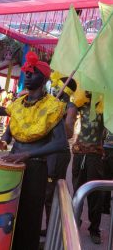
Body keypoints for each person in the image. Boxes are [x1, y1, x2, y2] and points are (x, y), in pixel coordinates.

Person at [1, 51, 68, 250]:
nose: (28, 75)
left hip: (35, 169)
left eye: (33, 72)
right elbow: (9, 131)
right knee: (9, 210)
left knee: (29, 216)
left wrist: (28, 154)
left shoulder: (53, 106)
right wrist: (4, 141)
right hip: (12, 164)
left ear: (44, 78)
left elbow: (61, 144)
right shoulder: (18, 104)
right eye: (27, 72)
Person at [41, 76, 78, 235]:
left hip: (58, 155)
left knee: (51, 192)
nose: (54, 88)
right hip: (47, 151)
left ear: (65, 89)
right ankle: (50, 228)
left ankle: (52, 230)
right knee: (45, 191)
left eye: (58, 86)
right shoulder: (53, 102)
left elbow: (69, 133)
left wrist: (57, 114)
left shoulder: (70, 107)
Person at [71, 91, 105, 244]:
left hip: (94, 155)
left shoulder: (105, 106)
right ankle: (74, 220)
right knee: (77, 189)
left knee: (94, 193)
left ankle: (94, 229)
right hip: (78, 153)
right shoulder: (79, 104)